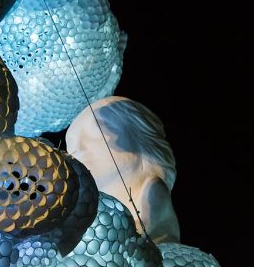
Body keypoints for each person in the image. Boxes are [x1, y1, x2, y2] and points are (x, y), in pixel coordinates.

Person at [66, 95, 181, 244]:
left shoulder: (153, 191)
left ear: (138, 136)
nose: (78, 151)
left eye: (94, 133)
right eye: (71, 147)